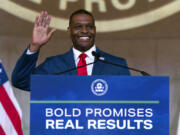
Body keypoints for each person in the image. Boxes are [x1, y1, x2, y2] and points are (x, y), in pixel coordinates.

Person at [11, 9, 130, 91]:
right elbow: (21, 81)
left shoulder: (117, 65)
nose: (84, 31)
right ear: (69, 31)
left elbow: (128, 101)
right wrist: (35, 46)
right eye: (78, 27)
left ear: (94, 30)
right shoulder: (53, 65)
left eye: (89, 27)